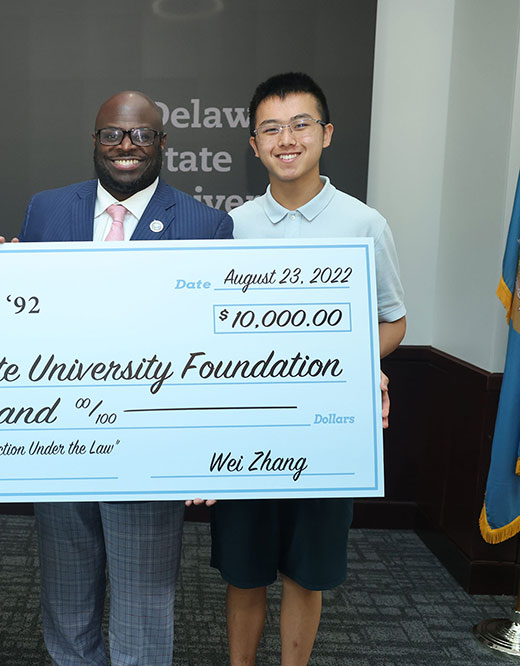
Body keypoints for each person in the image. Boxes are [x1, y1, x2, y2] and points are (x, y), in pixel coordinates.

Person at [18, 90, 233, 666]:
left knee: (143, 604)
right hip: (58, 439)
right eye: (113, 134)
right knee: (66, 603)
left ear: (162, 144)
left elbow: (211, 348)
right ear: (95, 142)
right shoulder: (45, 210)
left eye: (141, 135)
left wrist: (204, 450)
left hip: (148, 445)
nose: (126, 147)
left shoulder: (205, 225)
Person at [210, 72, 406, 666]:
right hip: (249, 433)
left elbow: (393, 323)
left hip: (325, 433)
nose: (286, 139)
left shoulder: (364, 224)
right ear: (254, 145)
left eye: (300, 125)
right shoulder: (232, 228)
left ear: (326, 134)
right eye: (271, 128)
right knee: (243, 576)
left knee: (306, 574)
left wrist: (352, 366)